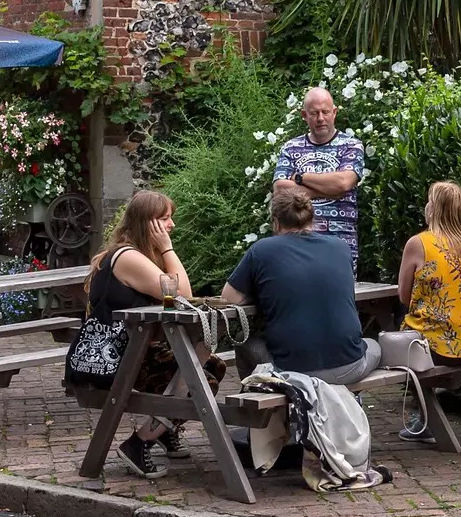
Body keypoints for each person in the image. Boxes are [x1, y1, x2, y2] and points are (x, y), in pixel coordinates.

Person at [68, 189, 212, 480]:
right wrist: (168, 248)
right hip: (118, 357)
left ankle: (161, 430)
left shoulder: (136, 254)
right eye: (164, 219)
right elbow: (182, 293)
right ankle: (141, 441)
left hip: (134, 349)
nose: (171, 225)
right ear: (149, 224)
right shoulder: (128, 257)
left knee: (207, 365)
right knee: (201, 369)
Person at [223, 181, 377, 385]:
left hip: (294, 374)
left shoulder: (262, 250)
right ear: (312, 219)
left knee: (244, 338)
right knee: (374, 344)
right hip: (349, 368)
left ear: (276, 222)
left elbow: (229, 297)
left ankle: (264, 409)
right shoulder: (340, 247)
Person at [396, 181, 461, 441]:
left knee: (396, 343)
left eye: (429, 200)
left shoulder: (419, 243)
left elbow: (404, 296)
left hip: (441, 350)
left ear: (435, 209)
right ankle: (424, 416)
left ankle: (425, 420)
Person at [272, 86, 363, 269]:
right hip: (297, 245)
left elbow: (343, 183)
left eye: (325, 112)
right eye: (314, 113)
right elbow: (280, 189)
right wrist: (330, 191)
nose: (321, 118)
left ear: (334, 113)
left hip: (340, 245)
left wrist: (300, 178)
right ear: (304, 115)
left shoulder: (351, 146)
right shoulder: (291, 147)